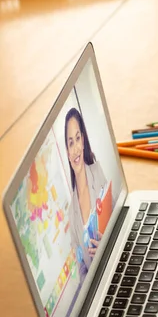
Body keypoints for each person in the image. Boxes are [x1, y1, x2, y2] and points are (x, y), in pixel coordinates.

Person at [65, 107, 107, 280]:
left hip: (113, 264)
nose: (75, 149)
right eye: (70, 143)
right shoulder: (71, 214)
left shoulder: (97, 173)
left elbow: (115, 223)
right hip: (96, 283)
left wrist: (104, 246)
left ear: (83, 141)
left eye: (77, 139)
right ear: (67, 151)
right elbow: (82, 268)